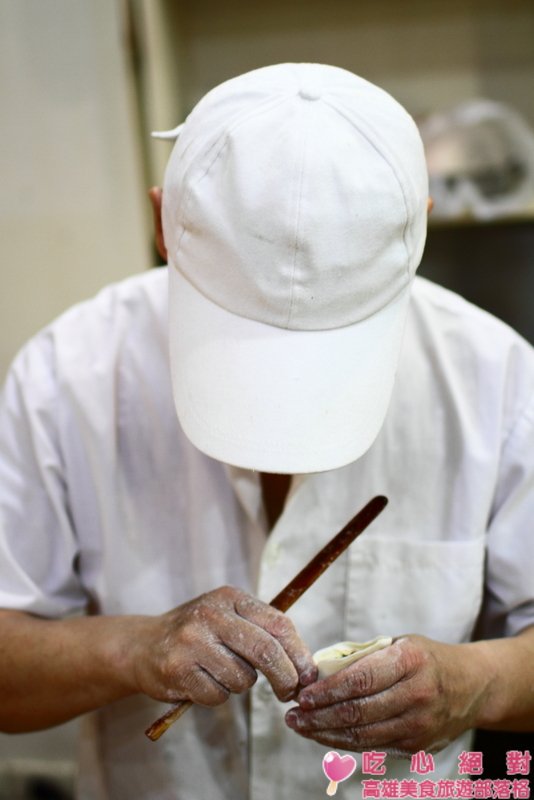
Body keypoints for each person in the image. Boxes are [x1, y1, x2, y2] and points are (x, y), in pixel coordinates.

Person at [0, 63, 533, 800]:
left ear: (418, 233)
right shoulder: (68, 376)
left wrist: (474, 683)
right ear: (162, 224)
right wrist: (131, 649)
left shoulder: (499, 379)